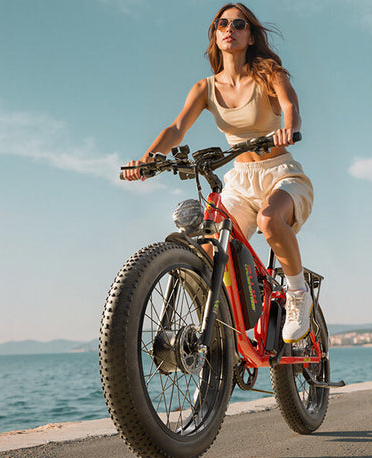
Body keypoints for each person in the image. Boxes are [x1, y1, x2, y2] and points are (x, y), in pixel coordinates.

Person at [123, 3, 314, 343]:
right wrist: (148, 160)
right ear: (215, 33)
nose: (230, 29)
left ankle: (299, 294)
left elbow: (289, 106)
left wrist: (289, 128)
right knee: (209, 249)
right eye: (222, 23)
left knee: (271, 221)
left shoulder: (270, 74)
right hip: (240, 182)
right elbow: (177, 128)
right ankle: (222, 328)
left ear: (250, 34)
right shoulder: (205, 88)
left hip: (280, 173)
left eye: (239, 24)